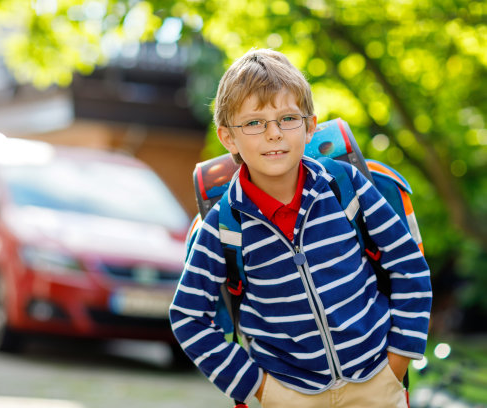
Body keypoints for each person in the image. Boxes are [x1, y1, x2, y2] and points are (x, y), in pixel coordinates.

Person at [169, 48, 432, 408]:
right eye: (254, 123)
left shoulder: (346, 186)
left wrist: (398, 362)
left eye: (287, 118)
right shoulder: (223, 227)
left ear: (310, 126)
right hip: (288, 395)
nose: (273, 134)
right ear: (228, 137)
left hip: (377, 383)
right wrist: (261, 389)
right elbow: (187, 317)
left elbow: (409, 265)